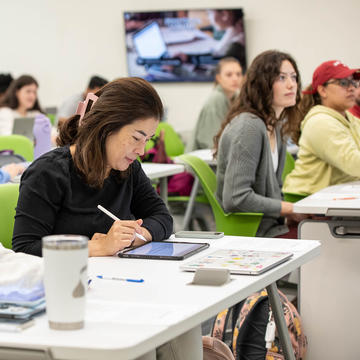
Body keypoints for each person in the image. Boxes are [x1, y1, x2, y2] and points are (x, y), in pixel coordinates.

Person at [13, 77, 203, 360]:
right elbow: (25, 248)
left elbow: (162, 217)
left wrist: (135, 235)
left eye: (147, 140)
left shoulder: (126, 169)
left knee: (186, 324)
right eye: (136, 138)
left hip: (121, 288)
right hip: (71, 302)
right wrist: (98, 247)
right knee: (145, 344)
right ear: (106, 128)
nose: (141, 150)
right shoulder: (48, 173)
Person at [214, 50, 306, 238]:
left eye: (293, 77)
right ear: (262, 84)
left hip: (272, 226)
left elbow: (275, 191)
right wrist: (287, 209)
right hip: (255, 233)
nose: (291, 85)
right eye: (281, 78)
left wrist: (288, 213)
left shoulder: (275, 126)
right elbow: (236, 198)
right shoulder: (249, 127)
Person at [283, 60, 360, 195]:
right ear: (322, 90)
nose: (352, 88)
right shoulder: (320, 122)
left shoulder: (350, 118)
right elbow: (354, 164)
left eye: (353, 82)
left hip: (333, 196)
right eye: (343, 83)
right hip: (306, 200)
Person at [187, 57, 243, 151]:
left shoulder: (237, 97)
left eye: (238, 74)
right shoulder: (216, 99)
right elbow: (211, 142)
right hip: (200, 160)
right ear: (219, 78)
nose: (235, 78)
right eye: (229, 75)